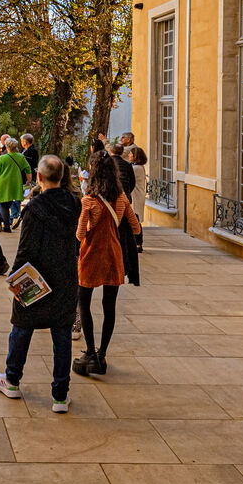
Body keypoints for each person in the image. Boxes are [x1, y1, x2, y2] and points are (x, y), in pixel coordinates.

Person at [0, 154, 82, 415]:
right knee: (62, 335)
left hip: (36, 277)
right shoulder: (75, 203)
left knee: (21, 328)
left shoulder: (35, 208)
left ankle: (12, 380)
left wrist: (15, 279)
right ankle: (60, 396)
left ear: (39, 177)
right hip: (65, 277)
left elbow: (26, 248)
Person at [74, 151, 142, 377]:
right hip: (114, 255)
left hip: (91, 256)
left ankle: (90, 352)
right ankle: (102, 353)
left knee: (84, 302)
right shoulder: (121, 198)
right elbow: (136, 228)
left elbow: (80, 234)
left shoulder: (88, 200)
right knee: (109, 306)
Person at [0, 138, 32, 233]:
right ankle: (1, 219)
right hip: (15, 183)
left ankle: (6, 225)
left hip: (2, 183)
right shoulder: (21, 157)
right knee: (9, 203)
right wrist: (29, 180)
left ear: (7, 147)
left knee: (4, 205)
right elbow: (27, 168)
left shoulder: (2, 158)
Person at [127, 146, 148, 214]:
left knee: (135, 217)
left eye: (130, 153)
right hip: (137, 195)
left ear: (135, 156)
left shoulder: (136, 168)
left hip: (136, 196)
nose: (128, 155)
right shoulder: (139, 167)